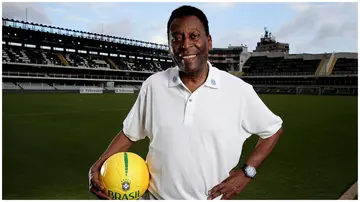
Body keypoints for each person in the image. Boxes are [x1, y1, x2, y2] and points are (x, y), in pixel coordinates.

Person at [89, 5, 283, 200]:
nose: (185, 44)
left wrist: (246, 173)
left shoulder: (238, 91)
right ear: (170, 45)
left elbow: (273, 130)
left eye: (194, 36)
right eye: (177, 38)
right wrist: (98, 167)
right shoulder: (154, 85)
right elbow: (129, 133)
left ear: (209, 41)